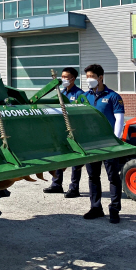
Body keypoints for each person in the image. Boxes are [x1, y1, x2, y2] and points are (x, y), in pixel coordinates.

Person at [81, 64, 125, 224]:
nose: (88, 80)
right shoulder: (85, 97)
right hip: (91, 143)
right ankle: (95, 207)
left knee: (113, 177)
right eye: (87, 77)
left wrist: (116, 140)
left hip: (109, 143)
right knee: (93, 176)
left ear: (100, 77)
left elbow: (119, 119)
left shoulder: (113, 96)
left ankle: (114, 209)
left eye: (91, 77)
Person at [44, 67, 85, 198]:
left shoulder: (79, 94)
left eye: (66, 77)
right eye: (62, 77)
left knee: (76, 159)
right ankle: (56, 184)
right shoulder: (61, 92)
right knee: (59, 156)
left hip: (75, 130)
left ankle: (74, 188)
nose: (63, 79)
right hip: (61, 130)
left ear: (73, 79)